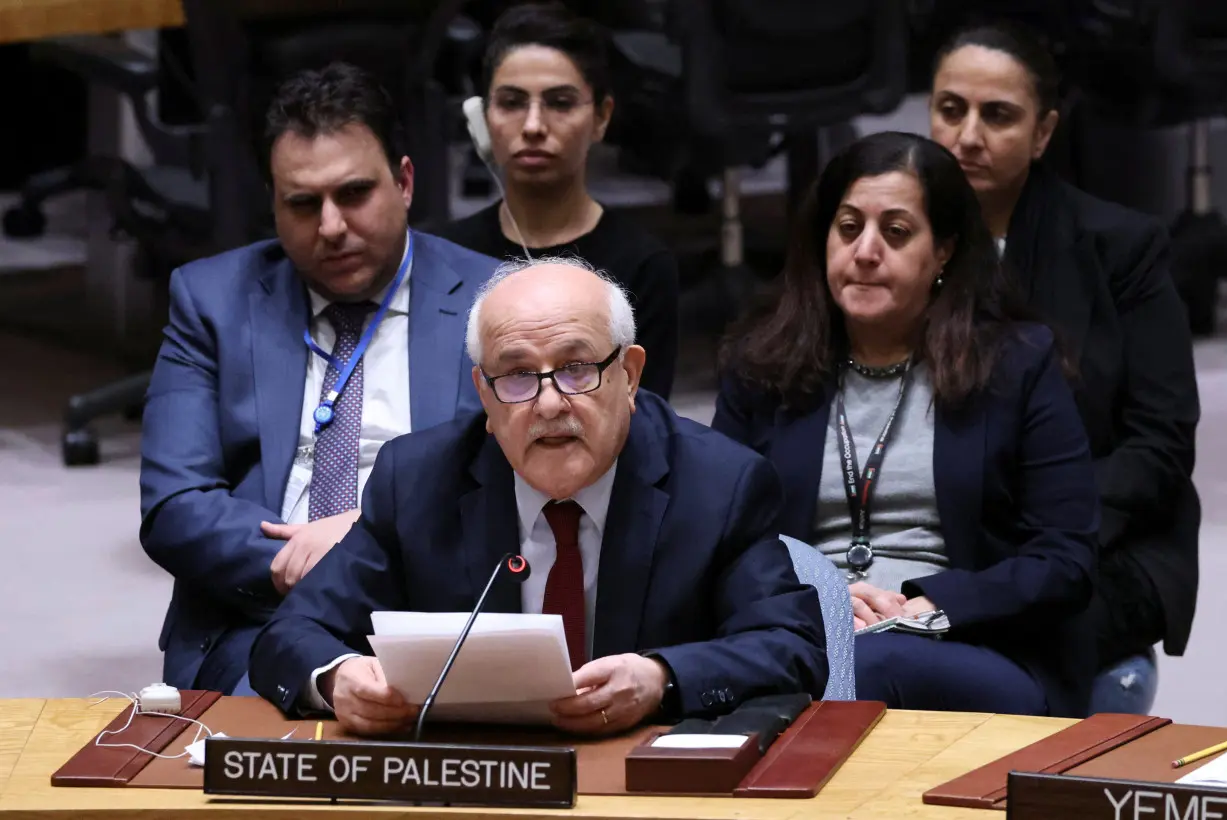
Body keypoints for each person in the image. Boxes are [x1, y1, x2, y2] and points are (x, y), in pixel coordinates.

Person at [247, 257, 828, 735]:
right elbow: (290, 635)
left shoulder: (720, 483)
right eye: (518, 376)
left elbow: (793, 647)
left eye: (577, 368)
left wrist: (662, 678)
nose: (550, 404)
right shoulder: (417, 480)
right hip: (472, 784)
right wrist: (336, 677)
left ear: (630, 375)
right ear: (485, 395)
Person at [711, 131, 1100, 717]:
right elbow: (720, 542)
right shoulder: (761, 365)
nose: (865, 251)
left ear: (942, 251)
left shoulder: (1015, 365)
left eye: (895, 232)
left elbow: (1064, 558)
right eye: (848, 228)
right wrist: (820, 599)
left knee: (861, 670)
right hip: (800, 631)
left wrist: (930, 605)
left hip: (967, 640)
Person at [139, 63, 499, 695]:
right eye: (303, 204)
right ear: (273, 204)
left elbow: (521, 482)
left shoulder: (493, 297)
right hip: (264, 617)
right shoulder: (211, 300)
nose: (331, 227)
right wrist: (305, 562)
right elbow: (175, 506)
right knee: (270, 768)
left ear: (405, 182)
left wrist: (369, 540)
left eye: (354, 194)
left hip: (443, 615)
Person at [928, 22, 1201, 674]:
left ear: (1043, 133)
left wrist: (1051, 536)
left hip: (1102, 540)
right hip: (939, 539)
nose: (968, 136)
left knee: (1014, 632)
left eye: (998, 116)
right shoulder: (886, 244)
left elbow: (1159, 443)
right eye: (950, 110)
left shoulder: (1120, 247)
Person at [436, 1, 680, 400]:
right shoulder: (446, 256)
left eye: (560, 103)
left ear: (601, 117)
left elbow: (646, 423)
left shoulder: (641, 265)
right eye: (512, 103)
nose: (533, 126)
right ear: (483, 117)